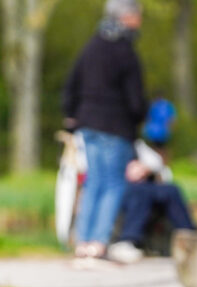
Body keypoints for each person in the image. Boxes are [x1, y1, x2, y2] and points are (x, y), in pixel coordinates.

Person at [62, 0, 147, 260]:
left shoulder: (92, 45)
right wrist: (139, 118)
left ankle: (83, 242)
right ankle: (98, 243)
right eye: (138, 14)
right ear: (127, 16)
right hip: (115, 126)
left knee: (94, 182)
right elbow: (135, 98)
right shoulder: (124, 50)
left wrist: (71, 115)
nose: (140, 19)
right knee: (113, 184)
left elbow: (72, 82)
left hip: (87, 124)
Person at [107, 99, 197, 264]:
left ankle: (192, 237)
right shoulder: (110, 140)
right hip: (120, 186)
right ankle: (128, 240)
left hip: (143, 184)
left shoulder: (138, 142)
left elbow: (160, 168)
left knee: (171, 190)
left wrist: (147, 168)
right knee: (141, 191)